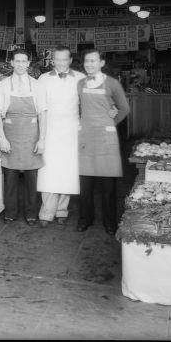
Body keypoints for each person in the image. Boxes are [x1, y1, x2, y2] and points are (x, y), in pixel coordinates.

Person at [76, 49, 131, 235]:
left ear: (101, 63)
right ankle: (85, 219)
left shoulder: (112, 83)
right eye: (86, 61)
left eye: (93, 61)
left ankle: (110, 222)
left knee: (108, 185)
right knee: (85, 183)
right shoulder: (80, 83)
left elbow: (124, 108)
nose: (89, 64)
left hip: (106, 138)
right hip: (86, 137)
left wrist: (110, 123)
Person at [0, 49, 47, 225]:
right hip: (10, 135)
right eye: (17, 61)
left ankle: (31, 213)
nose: (21, 65)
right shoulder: (3, 85)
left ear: (28, 64)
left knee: (32, 177)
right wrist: (2, 138)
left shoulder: (37, 85)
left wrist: (42, 139)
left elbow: (43, 114)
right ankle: (10, 212)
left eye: (24, 61)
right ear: (12, 63)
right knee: (10, 176)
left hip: (32, 135)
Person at [35, 46, 84, 227]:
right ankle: (46, 211)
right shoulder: (43, 79)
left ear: (70, 60)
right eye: (58, 59)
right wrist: (41, 136)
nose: (61, 63)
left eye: (65, 59)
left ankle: (62, 210)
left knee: (68, 171)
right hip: (50, 129)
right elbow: (41, 108)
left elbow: (87, 105)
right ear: (52, 61)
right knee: (48, 170)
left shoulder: (80, 78)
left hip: (72, 130)